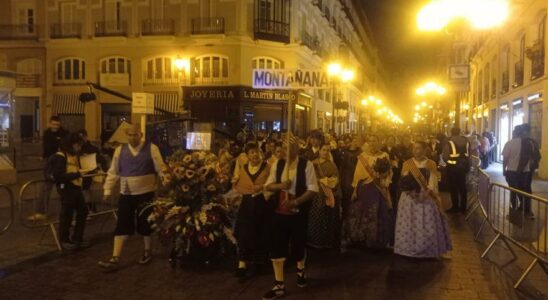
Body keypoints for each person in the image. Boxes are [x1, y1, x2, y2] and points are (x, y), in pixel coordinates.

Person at [98, 123, 166, 270]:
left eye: (135, 135)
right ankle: (115, 257)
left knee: (146, 224)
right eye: (129, 135)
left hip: (146, 193)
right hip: (126, 194)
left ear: (140, 135)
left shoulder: (152, 148)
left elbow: (161, 169)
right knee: (122, 224)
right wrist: (107, 190)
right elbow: (113, 171)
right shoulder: (119, 151)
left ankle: (147, 251)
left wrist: (167, 183)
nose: (132, 138)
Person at [262, 136, 319, 300]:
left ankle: (300, 270)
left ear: (296, 149)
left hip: (298, 213)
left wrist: (296, 201)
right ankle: (279, 284)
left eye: (289, 148)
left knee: (298, 244)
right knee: (277, 245)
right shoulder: (277, 164)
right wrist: (280, 186)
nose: (285, 152)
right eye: (284, 148)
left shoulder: (306, 165)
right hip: (279, 213)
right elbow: (268, 185)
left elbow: (313, 189)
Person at [394, 141, 452, 258]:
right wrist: (410, 192)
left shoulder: (431, 163)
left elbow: (433, 181)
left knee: (427, 223)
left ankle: (427, 250)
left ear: (425, 150)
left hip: (426, 196)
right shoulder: (407, 164)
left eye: (419, 148)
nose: (417, 151)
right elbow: (404, 181)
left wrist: (427, 193)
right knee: (409, 223)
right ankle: (407, 248)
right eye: (414, 148)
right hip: (409, 198)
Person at [342, 135, 394, 250]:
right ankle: (363, 238)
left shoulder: (384, 155)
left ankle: (379, 240)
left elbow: (389, 172)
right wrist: (355, 189)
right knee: (364, 213)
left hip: (379, 188)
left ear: (379, 142)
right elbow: (357, 175)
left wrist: (383, 178)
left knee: (380, 212)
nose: (372, 143)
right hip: (365, 188)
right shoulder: (362, 157)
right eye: (370, 141)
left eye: (374, 141)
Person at [232, 142, 272, 279]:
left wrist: (262, 187)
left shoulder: (267, 167)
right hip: (247, 206)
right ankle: (242, 264)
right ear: (247, 155)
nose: (255, 155)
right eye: (252, 153)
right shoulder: (243, 168)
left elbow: (272, 184)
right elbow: (238, 185)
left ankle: (259, 262)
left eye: (257, 152)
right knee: (244, 234)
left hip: (262, 205)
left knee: (261, 234)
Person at [49, 133, 88, 250]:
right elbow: (59, 176)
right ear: (71, 145)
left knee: (83, 211)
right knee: (67, 214)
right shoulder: (60, 156)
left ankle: (77, 238)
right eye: (77, 145)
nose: (79, 148)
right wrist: (77, 174)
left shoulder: (73, 155)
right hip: (66, 188)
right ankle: (64, 239)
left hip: (75, 187)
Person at [32, 116, 68, 221]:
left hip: (60, 162)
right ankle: (41, 211)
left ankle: (67, 211)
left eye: (57, 124)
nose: (56, 126)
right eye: (54, 124)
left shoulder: (64, 133)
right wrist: (43, 156)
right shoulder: (47, 134)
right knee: (46, 187)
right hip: (49, 162)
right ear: (50, 123)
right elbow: (47, 147)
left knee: (63, 187)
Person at [307, 143, 341, 249]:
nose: (325, 152)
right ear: (319, 151)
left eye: (327, 150)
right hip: (313, 194)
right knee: (313, 217)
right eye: (323, 150)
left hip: (325, 194)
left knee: (324, 217)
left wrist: (324, 181)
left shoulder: (332, 165)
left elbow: (335, 181)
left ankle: (324, 241)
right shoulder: (313, 163)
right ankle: (312, 240)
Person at [502, 124, 540, 217]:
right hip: (525, 172)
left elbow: (505, 159)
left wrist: (504, 169)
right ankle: (525, 208)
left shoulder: (510, 143)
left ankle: (514, 207)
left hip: (512, 171)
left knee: (513, 190)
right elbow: (534, 157)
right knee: (524, 190)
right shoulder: (530, 143)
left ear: (515, 133)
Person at [77, 129, 107, 216]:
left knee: (85, 190)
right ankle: (90, 209)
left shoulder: (92, 148)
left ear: (86, 137)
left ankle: (89, 209)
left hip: (87, 172)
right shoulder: (76, 147)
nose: (81, 140)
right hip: (78, 172)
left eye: (83, 137)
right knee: (84, 191)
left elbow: (100, 159)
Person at [443, 127, 470, 213]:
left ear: (451, 132)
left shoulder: (449, 143)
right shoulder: (466, 141)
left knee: (453, 188)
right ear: (459, 132)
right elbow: (469, 153)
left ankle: (455, 207)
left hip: (452, 169)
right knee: (463, 187)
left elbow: (445, 157)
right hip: (463, 167)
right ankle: (463, 207)